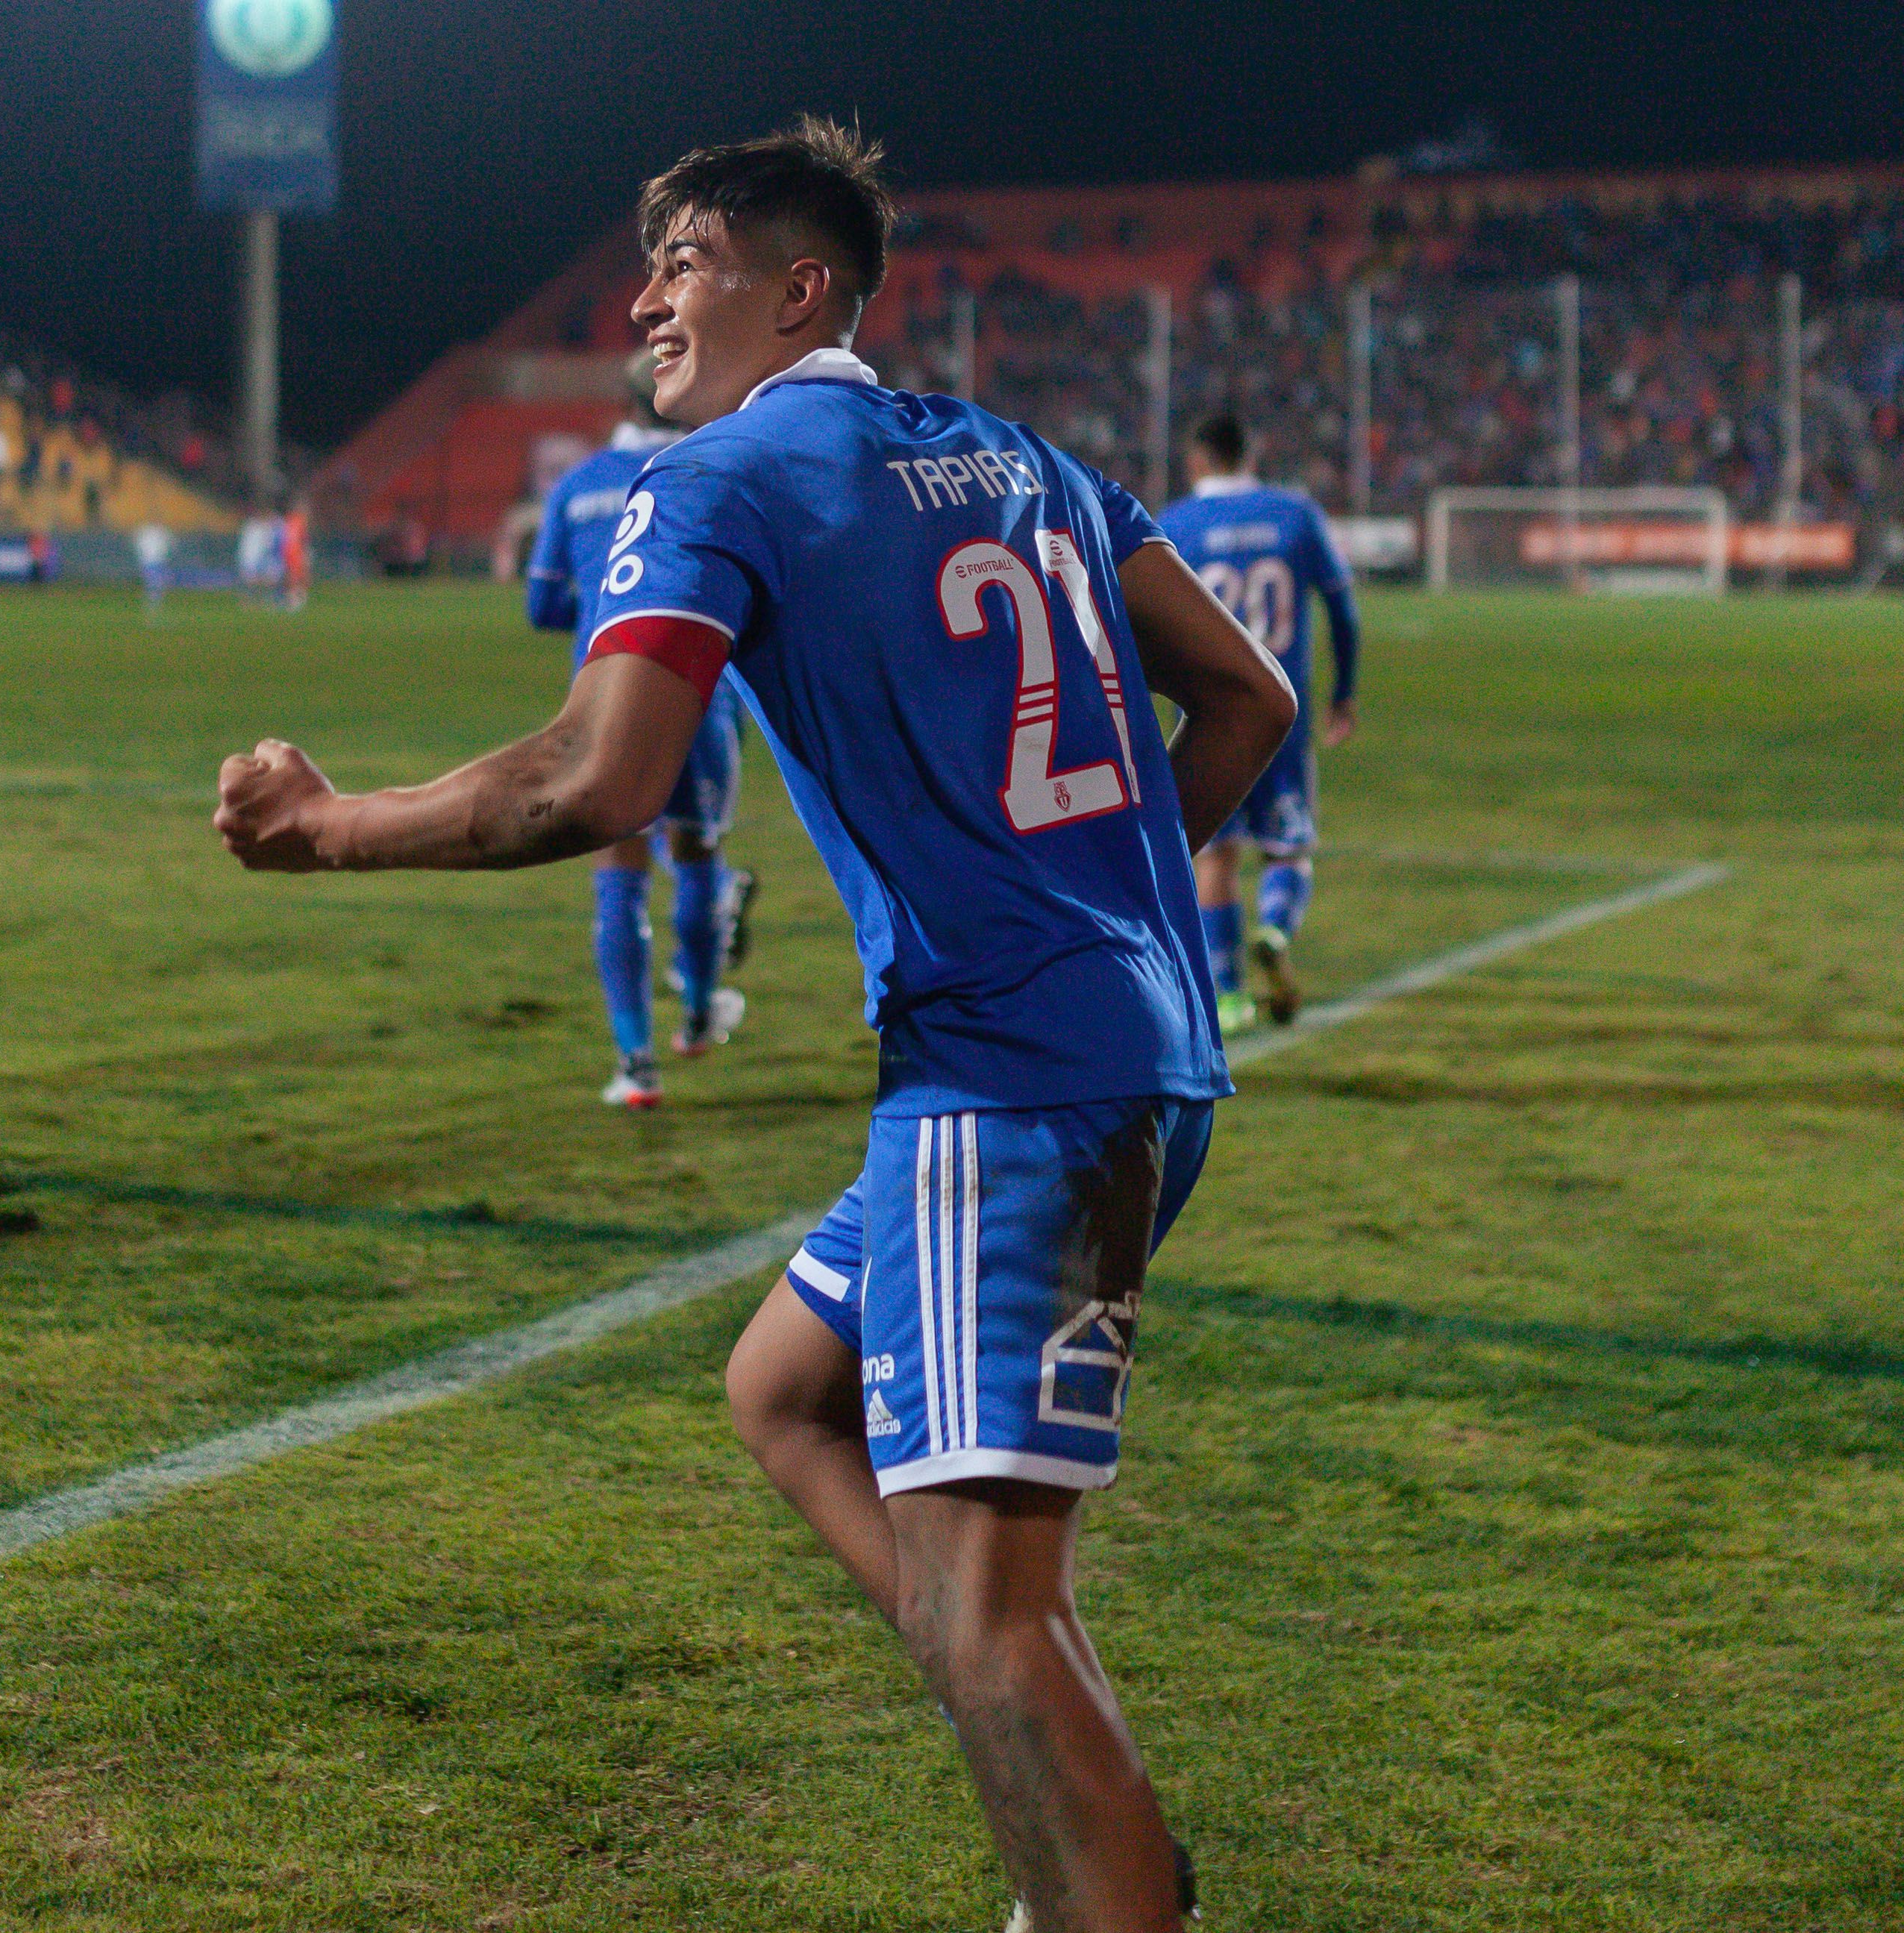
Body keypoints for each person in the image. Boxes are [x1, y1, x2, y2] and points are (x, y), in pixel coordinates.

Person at [213, 120, 1294, 1933]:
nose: (644, 297)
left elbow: (591, 778)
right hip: (1125, 1049)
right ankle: (1078, 1817)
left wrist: (328, 828)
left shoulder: (722, 474)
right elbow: (1248, 705)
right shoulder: (1022, 459)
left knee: (991, 1610)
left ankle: (1108, 1879)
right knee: (785, 1389)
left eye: (688, 260)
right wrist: (1089, 899)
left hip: (1000, 1090)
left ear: (799, 291)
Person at [526, 351, 757, 1107]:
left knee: (617, 879)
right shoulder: (713, 469)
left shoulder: (576, 484)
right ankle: (696, 1014)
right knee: (697, 852)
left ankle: (635, 1063)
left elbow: (542, 608)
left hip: (603, 699)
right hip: (701, 692)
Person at [1155, 413, 1363, 1032]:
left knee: (1213, 856)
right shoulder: (1295, 514)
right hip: (1279, 711)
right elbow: (1343, 610)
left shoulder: (1172, 524)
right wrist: (1343, 694)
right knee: (1288, 844)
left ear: (1196, 462)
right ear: (1252, 454)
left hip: (1201, 715)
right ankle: (1273, 929)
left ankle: (1227, 996)